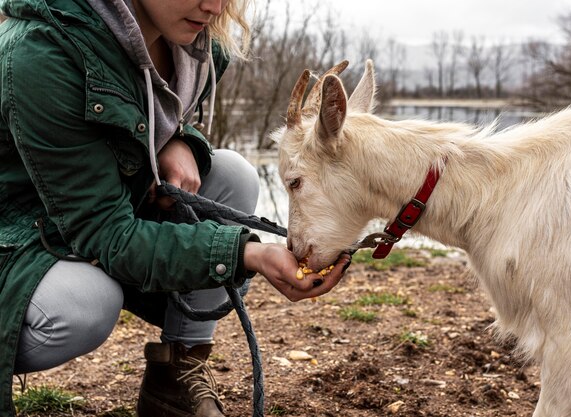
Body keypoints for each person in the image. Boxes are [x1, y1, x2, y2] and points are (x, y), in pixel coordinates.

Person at [0, 1, 351, 416]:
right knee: (86, 304)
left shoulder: (196, 46)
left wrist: (180, 140)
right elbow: (105, 233)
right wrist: (247, 252)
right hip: (18, 239)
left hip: (87, 220)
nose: (214, 6)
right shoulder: (40, 53)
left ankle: (175, 378)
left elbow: (141, 116)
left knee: (232, 175)